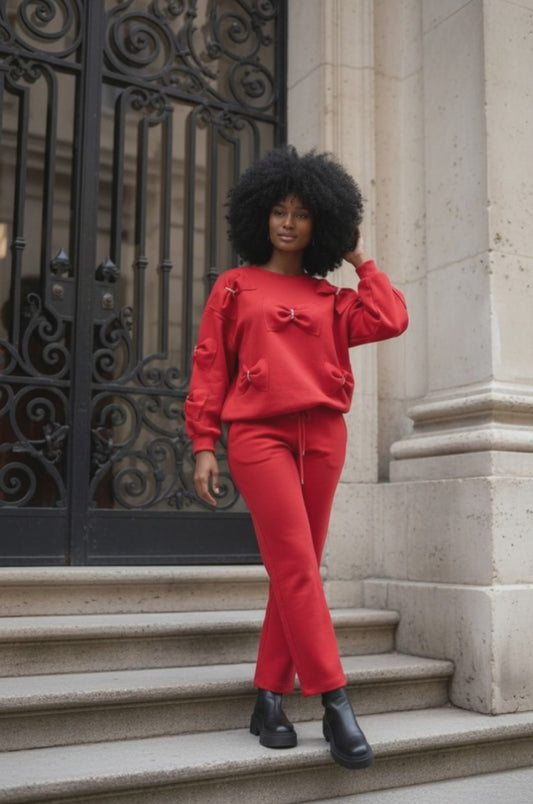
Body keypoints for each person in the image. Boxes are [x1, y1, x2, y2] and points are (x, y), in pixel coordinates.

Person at [185, 146, 408, 770]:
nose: (288, 223)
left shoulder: (332, 298)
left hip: (325, 438)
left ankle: (268, 698)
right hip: (258, 438)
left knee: (297, 568)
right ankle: (336, 702)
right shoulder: (234, 286)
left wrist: (361, 260)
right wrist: (203, 443)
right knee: (298, 568)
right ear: (260, 215)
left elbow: (391, 318)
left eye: (302, 213)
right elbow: (210, 365)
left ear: (321, 224)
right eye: (279, 211)